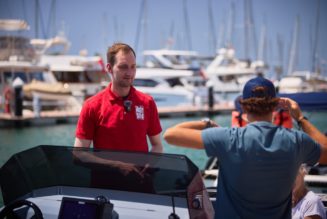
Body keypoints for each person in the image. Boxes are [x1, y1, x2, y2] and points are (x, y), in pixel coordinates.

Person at [164, 76, 327, 219]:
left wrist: (206, 123)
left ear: (244, 107)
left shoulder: (228, 138)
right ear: (275, 105)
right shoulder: (295, 140)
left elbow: (170, 135)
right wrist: (300, 117)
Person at [74, 42, 163, 153]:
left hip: (139, 171)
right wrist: (116, 165)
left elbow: (157, 146)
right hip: (105, 171)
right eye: (123, 67)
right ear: (109, 68)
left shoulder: (147, 103)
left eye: (133, 67)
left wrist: (149, 165)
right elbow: (79, 154)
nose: (129, 73)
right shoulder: (92, 106)